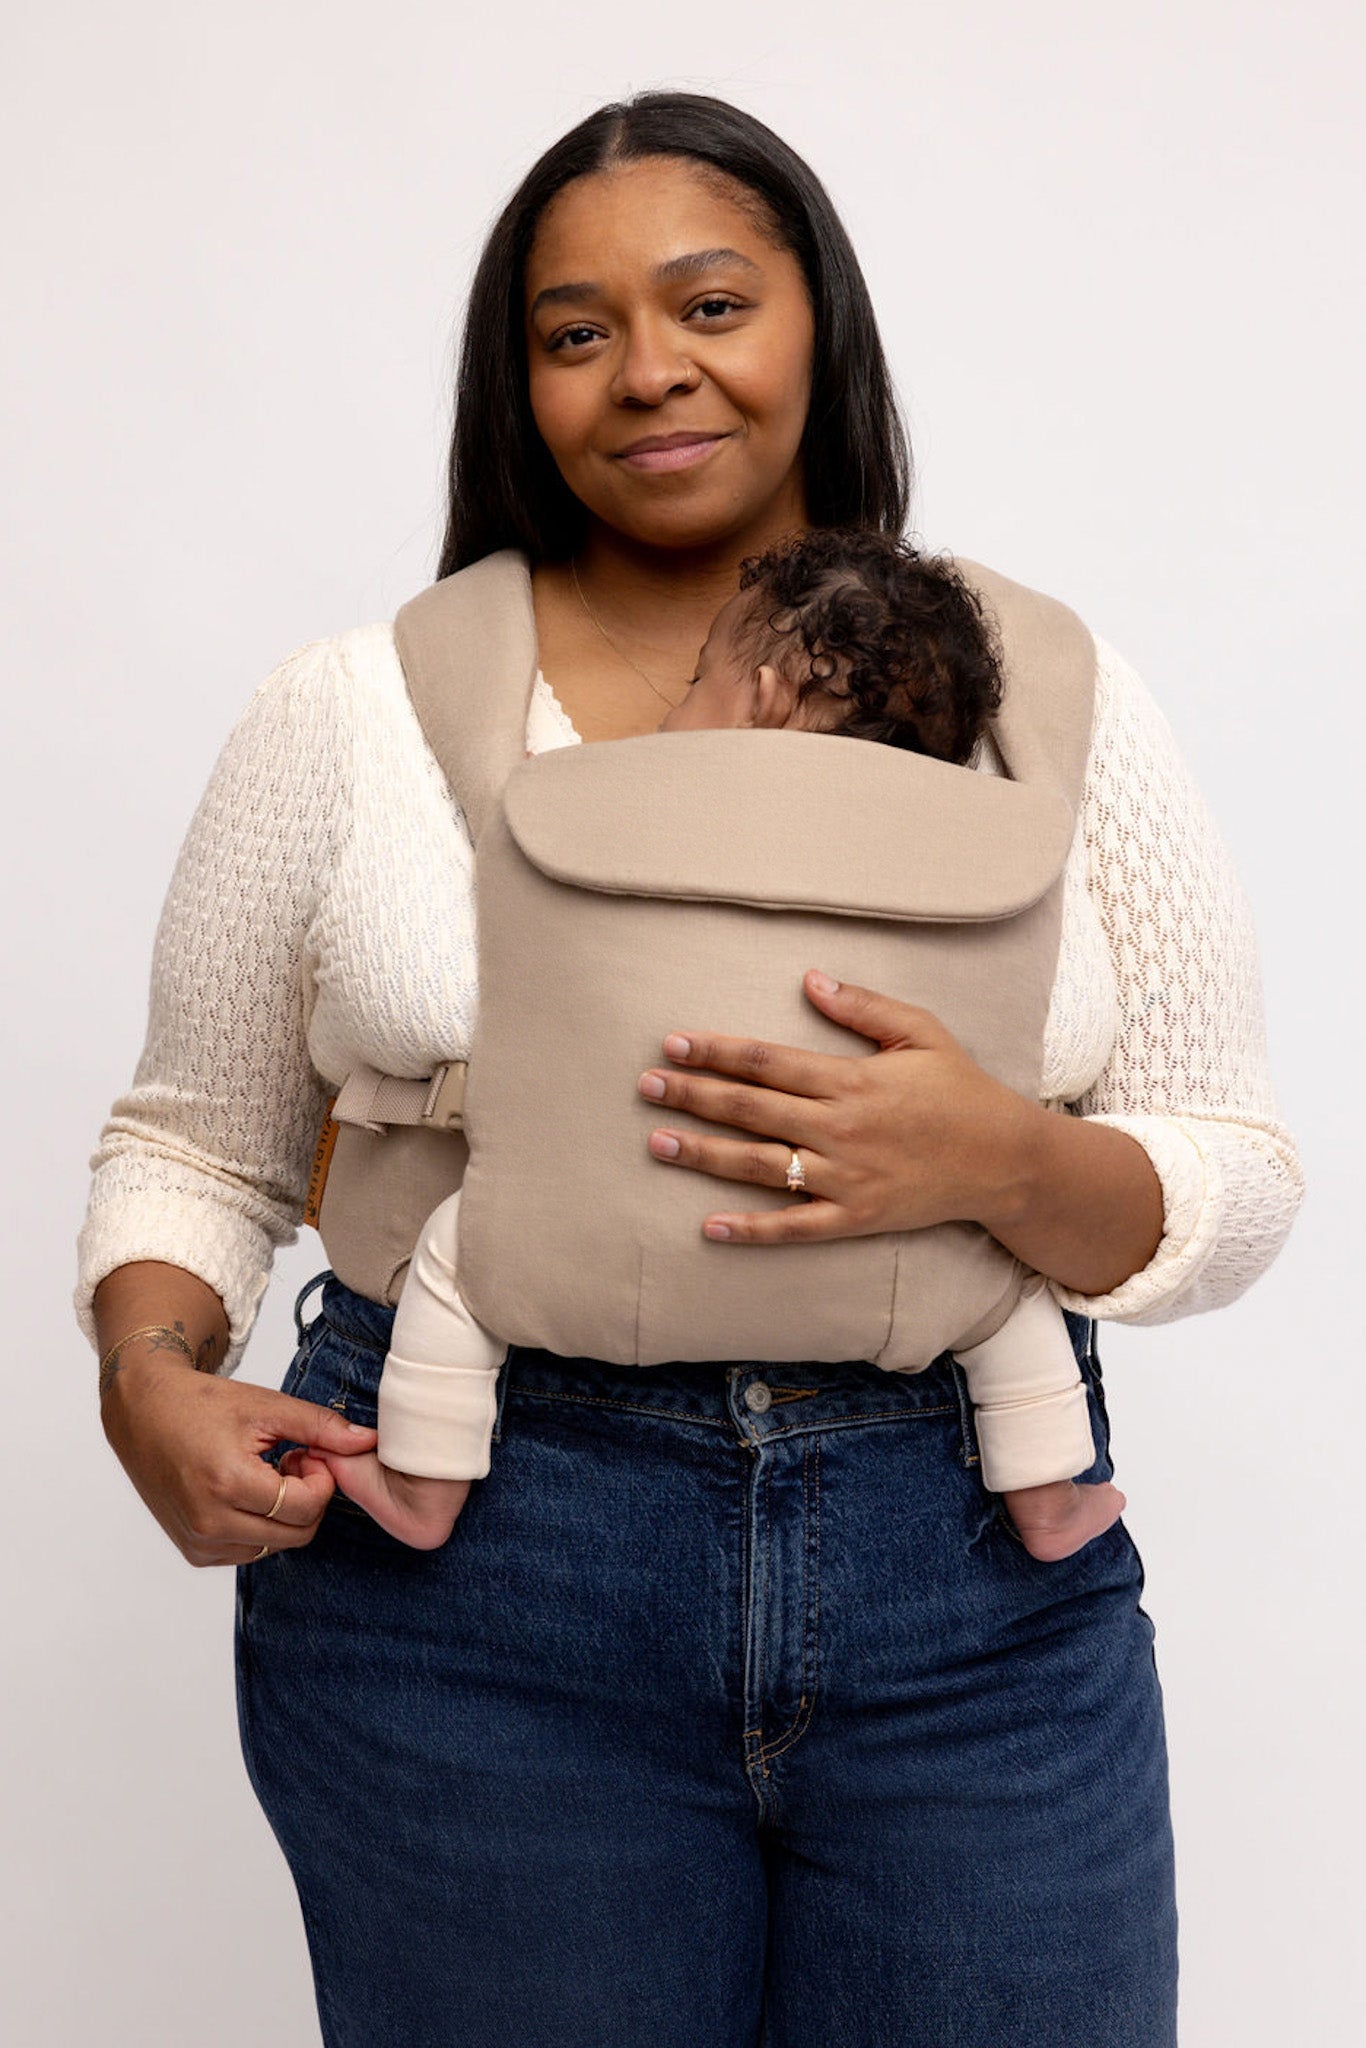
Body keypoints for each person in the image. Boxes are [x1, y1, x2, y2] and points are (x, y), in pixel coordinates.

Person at [79, 90, 1303, 2048]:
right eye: (573, 333)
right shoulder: (354, 713)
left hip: (967, 1556)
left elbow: (1227, 1159)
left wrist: (1000, 1160)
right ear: (521, 384)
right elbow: (195, 1138)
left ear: (815, 321)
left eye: (708, 301)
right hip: (473, 1554)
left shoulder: (1040, 689)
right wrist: (147, 1374)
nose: (646, 368)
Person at [316, 528, 1124, 1565]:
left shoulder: (597, 806)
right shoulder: (980, 846)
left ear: (771, 691)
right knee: (1007, 1294)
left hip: (597, 1212)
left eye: (699, 678)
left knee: (457, 1257)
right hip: (907, 1260)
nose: (670, 709)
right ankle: (1048, 1496)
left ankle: (425, 1480)